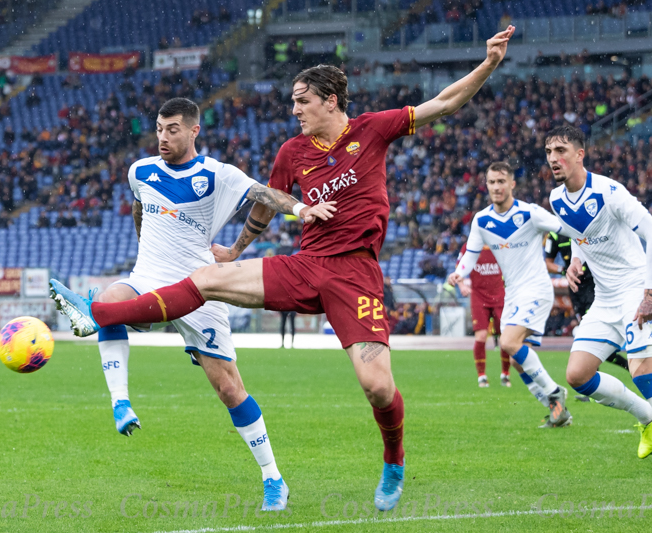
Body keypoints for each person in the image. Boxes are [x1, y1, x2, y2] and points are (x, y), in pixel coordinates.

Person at [49, 26, 517, 511]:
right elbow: (266, 205)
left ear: (330, 101)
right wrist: (236, 247)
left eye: (302, 101)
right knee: (207, 279)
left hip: (354, 273)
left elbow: (443, 103)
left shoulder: (374, 129)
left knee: (377, 387)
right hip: (304, 265)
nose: (294, 110)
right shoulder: (291, 153)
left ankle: (394, 459)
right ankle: (97, 313)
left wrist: (487, 65)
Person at [65, 97, 335, 511]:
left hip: (201, 288)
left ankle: (273, 478)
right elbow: (140, 209)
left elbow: (265, 194)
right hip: (148, 280)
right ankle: (121, 402)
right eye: (159, 128)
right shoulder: (140, 170)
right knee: (108, 302)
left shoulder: (216, 174)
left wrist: (301, 209)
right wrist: (146, 253)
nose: (163, 137)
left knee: (229, 388)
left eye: (173, 129)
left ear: (193, 131)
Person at [545, 125, 652, 476]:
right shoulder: (557, 199)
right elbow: (577, 234)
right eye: (548, 152)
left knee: (644, 372)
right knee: (577, 374)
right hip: (605, 298)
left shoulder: (609, 191)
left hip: (637, 290)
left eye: (560, 150)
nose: (554, 158)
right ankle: (645, 415)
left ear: (579, 154)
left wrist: (650, 295)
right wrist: (575, 260)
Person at [447, 162, 572, 428]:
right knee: (517, 359)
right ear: (486, 185)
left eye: (501, 181)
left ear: (512, 184)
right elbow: (470, 254)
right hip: (513, 294)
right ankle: (557, 411)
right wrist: (459, 273)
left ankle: (554, 392)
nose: (496, 187)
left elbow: (566, 228)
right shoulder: (481, 220)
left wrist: (576, 258)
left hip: (537, 289)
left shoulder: (530, 213)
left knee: (508, 342)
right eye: (492, 182)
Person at [544, 229, 630, 402]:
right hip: (576, 290)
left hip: (596, 286)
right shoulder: (554, 235)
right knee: (589, 337)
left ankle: (621, 367)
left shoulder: (584, 227)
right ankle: (609, 374)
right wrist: (564, 270)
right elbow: (548, 262)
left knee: (593, 335)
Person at [455, 241, 510, 388]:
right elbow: (459, 267)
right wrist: (461, 285)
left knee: (504, 337)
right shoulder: (469, 245)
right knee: (481, 336)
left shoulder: (499, 242)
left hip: (499, 296)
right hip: (479, 296)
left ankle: (505, 373)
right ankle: (481, 376)